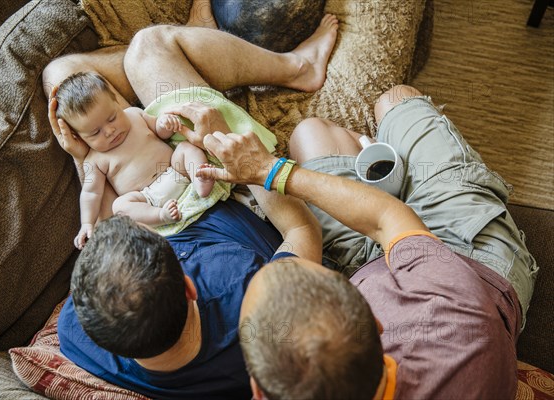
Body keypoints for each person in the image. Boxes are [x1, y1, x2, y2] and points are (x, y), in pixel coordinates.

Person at [46, 4, 338, 397]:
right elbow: (303, 231)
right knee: (149, 47)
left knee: (58, 79)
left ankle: (189, 44)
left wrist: (85, 158)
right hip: (207, 190)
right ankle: (296, 67)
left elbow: (104, 228)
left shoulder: (77, 332)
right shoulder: (248, 291)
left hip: (146, 202)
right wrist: (230, 149)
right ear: (189, 287)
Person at [198, 85, 538, 399]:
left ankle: (381, 173)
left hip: (370, 262)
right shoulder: (461, 324)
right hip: (468, 260)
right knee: (394, 100)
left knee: (310, 133)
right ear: (378, 325)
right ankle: (393, 168)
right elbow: (386, 218)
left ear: (258, 393)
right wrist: (269, 170)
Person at [54, 71, 215, 249]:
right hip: (146, 198)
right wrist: (87, 224)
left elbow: (160, 131)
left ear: (115, 101)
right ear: (79, 137)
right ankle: (161, 216)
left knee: (186, 149)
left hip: (176, 171)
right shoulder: (94, 160)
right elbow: (91, 193)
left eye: (112, 118)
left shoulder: (134, 115)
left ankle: (201, 179)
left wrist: (164, 123)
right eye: (95, 132)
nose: (109, 131)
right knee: (120, 206)